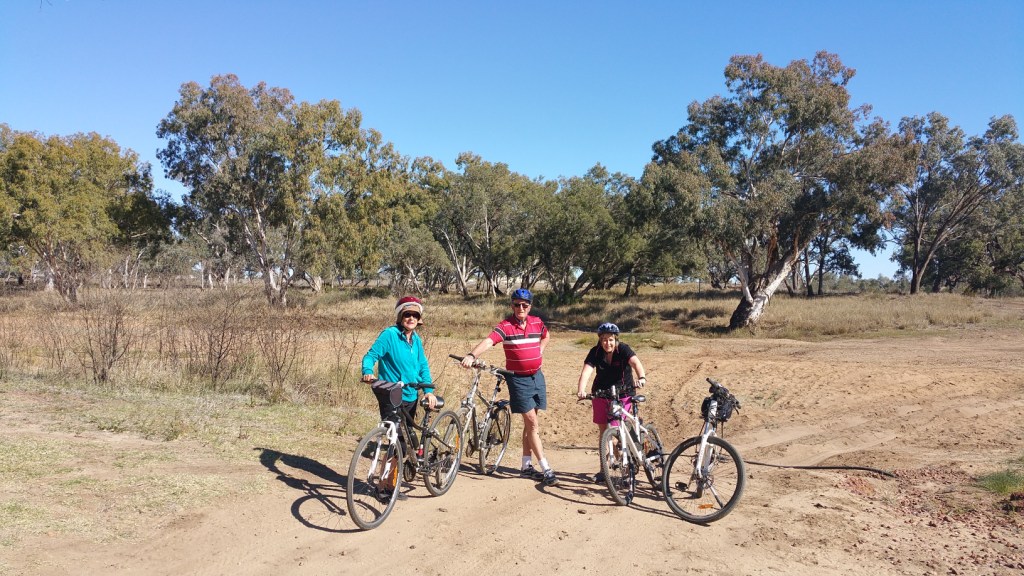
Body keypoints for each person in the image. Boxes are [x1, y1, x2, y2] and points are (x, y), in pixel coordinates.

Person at [460, 288, 557, 486]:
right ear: (511, 306)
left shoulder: (537, 322)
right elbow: (489, 340)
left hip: (537, 377)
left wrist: (540, 351)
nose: (520, 308)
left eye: (524, 305)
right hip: (518, 380)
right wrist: (472, 355)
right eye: (516, 305)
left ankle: (525, 465)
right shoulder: (505, 326)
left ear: (530, 306)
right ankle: (546, 468)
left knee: (532, 425)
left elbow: (546, 336)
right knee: (532, 424)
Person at [362, 296, 437, 497]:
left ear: (419, 319)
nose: (411, 318)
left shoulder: (416, 340)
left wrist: (428, 391)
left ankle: (393, 480)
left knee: (404, 440)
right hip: (391, 394)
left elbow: (423, 366)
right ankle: (383, 485)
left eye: (415, 315)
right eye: (407, 314)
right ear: (400, 316)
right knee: (395, 438)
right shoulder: (389, 335)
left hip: (411, 395)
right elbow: (371, 355)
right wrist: (368, 371)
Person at [575, 322, 648, 483]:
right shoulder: (595, 352)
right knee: (603, 432)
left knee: (614, 429)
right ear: (600, 341)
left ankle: (624, 465)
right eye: (604, 340)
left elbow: (636, 363)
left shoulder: (623, 349)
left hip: (623, 393)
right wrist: (581, 390)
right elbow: (586, 371)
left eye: (610, 339)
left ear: (616, 339)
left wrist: (641, 377)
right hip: (601, 393)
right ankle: (604, 470)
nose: (607, 343)